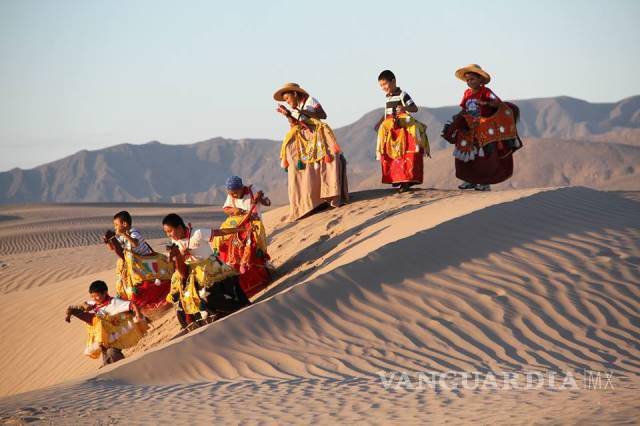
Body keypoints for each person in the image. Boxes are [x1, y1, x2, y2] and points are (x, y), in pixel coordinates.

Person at [162, 213, 251, 330]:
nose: (169, 235)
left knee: (209, 291)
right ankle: (196, 322)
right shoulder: (174, 243)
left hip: (209, 268)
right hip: (191, 271)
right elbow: (176, 261)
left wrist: (239, 229)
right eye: (166, 232)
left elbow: (219, 232)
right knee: (182, 295)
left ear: (179, 228)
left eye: (170, 231)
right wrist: (179, 255)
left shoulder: (198, 233)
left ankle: (232, 308)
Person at [275, 82, 348, 220]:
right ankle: (309, 202)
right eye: (285, 101)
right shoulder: (294, 109)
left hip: (318, 135)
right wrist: (288, 114)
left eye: (288, 99)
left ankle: (329, 196)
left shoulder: (310, 101)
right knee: (296, 164)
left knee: (329, 160)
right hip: (303, 139)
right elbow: (294, 123)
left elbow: (322, 115)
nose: (288, 102)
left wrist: (298, 110)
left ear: (295, 94)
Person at [444, 64, 522, 191]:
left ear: (480, 79)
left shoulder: (486, 92)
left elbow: (498, 103)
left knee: (484, 156)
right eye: (468, 80)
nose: (469, 82)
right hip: (470, 127)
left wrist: (485, 103)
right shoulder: (467, 93)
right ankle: (469, 180)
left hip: (484, 128)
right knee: (465, 151)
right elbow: (464, 108)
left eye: (472, 79)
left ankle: (485, 182)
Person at [211, 176, 271, 298]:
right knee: (223, 240)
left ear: (241, 188)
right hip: (236, 223)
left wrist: (259, 199)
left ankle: (257, 277)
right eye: (230, 193)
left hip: (253, 223)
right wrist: (235, 210)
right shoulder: (231, 195)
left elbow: (268, 203)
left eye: (234, 193)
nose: (232, 195)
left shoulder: (252, 190)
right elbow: (226, 209)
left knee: (250, 245)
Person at [65, 280, 148, 367]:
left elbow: (132, 304)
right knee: (106, 353)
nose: (94, 299)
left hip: (115, 334)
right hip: (103, 335)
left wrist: (138, 315)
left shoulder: (114, 302)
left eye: (97, 296)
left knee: (112, 352)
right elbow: (84, 303)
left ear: (105, 293)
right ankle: (110, 368)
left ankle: (123, 368)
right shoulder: (94, 304)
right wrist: (84, 306)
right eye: (92, 296)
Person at [103, 211, 172, 313]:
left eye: (117, 225)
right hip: (136, 265)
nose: (115, 227)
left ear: (125, 224)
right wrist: (108, 241)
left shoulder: (134, 232)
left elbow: (135, 243)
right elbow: (114, 248)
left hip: (146, 261)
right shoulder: (123, 236)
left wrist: (122, 234)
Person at [375, 70, 430, 192]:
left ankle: (407, 181)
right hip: (390, 129)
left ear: (393, 81)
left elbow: (414, 108)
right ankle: (397, 179)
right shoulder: (387, 97)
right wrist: (380, 123)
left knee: (406, 153)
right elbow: (387, 113)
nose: (383, 88)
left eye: (385, 84)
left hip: (403, 128)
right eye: (381, 86)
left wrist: (404, 108)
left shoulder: (402, 95)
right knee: (392, 154)